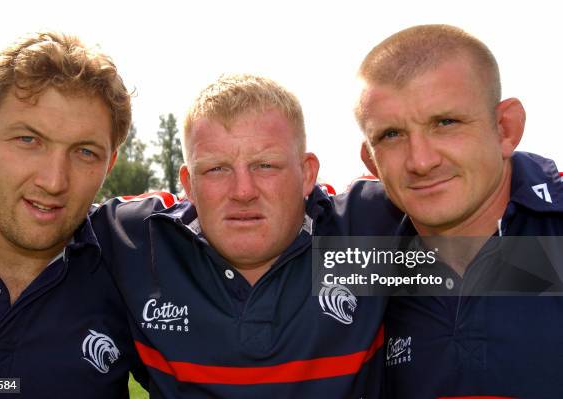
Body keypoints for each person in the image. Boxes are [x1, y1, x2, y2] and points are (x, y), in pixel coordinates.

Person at [92, 73, 402, 398]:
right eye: (216, 169)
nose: (243, 191)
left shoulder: (367, 229)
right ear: (188, 184)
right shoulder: (138, 242)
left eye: (265, 165)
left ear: (307, 173)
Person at [355, 24, 563, 398]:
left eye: (445, 123)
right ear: (371, 160)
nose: (421, 161)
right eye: (392, 135)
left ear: (505, 128)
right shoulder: (351, 247)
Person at [0, 32, 146, 398]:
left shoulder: (133, 268)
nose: (54, 181)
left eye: (85, 152)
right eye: (28, 140)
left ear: (109, 165)